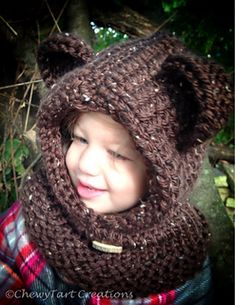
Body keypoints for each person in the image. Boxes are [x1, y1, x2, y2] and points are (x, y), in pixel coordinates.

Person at [0, 31, 233, 305]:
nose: (86, 164)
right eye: (80, 138)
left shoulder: (180, 268)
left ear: (165, 175)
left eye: (118, 154)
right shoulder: (32, 216)